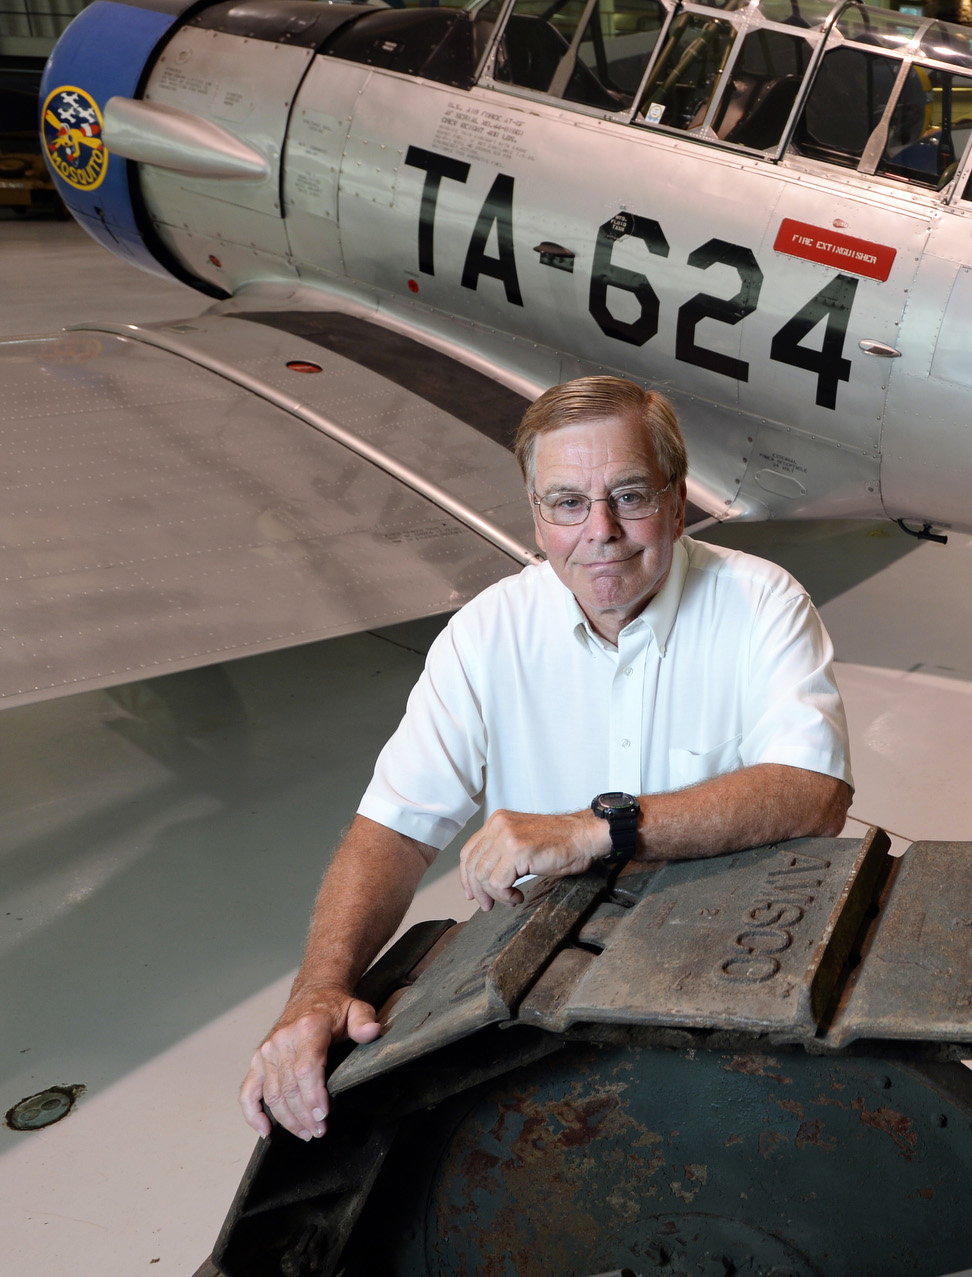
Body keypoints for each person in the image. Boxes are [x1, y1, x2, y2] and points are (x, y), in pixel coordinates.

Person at [240, 376, 852, 1143]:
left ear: (675, 496)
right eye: (567, 502)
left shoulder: (762, 601)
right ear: (535, 515)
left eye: (628, 494)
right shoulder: (486, 633)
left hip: (732, 966)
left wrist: (595, 830)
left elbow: (812, 791)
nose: (600, 530)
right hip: (546, 979)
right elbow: (394, 830)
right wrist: (319, 990)